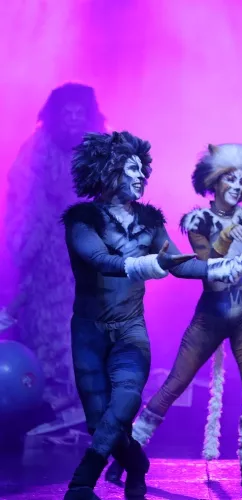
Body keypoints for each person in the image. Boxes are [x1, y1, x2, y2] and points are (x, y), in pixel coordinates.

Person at [61, 132, 242, 500]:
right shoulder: (82, 220)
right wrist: (151, 264)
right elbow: (100, 261)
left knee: (124, 405)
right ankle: (136, 463)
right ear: (108, 171)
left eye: (142, 170)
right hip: (88, 334)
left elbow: (179, 264)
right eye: (132, 169)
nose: (141, 177)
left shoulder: (149, 222)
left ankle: (82, 481)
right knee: (99, 422)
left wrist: (223, 267)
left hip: (130, 331)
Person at [104, 143, 242, 486]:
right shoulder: (199, 220)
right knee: (174, 385)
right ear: (214, 181)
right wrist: (228, 236)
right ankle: (127, 454)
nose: (236, 186)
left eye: (241, 180)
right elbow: (205, 264)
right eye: (229, 179)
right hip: (211, 315)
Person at [0, 84, 107, 420]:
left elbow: (116, 199)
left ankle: (81, 401)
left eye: (79, 113)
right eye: (67, 113)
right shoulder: (35, 150)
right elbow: (20, 197)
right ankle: (46, 399)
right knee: (44, 329)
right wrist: (39, 221)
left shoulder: (101, 151)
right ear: (55, 116)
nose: (73, 120)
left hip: (85, 257)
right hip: (46, 258)